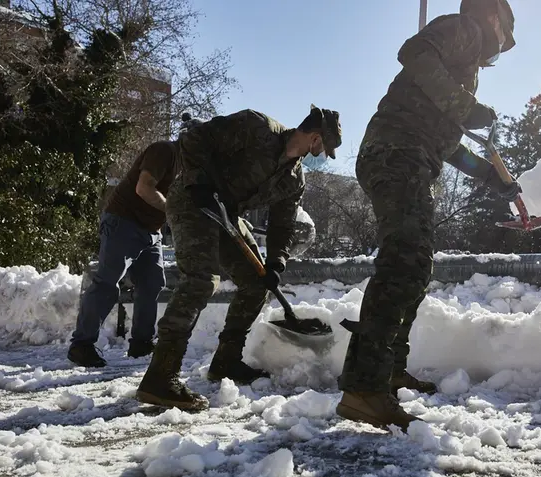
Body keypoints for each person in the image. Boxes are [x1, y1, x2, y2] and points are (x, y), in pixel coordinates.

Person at [336, 0, 521, 431]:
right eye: (504, 32)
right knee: (403, 261)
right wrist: (464, 104)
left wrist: (494, 179)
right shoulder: (465, 29)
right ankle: (364, 389)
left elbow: (450, 146)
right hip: (397, 153)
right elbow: (414, 52)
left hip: (410, 156)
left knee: (415, 266)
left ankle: (387, 371)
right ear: (493, 15)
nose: (498, 46)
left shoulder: (463, 67)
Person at [135, 105, 342, 411]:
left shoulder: (294, 179)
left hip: (226, 216)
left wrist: (276, 262)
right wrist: (200, 180)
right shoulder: (256, 126)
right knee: (200, 280)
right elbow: (195, 139)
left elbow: (283, 224)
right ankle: (160, 377)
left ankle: (226, 361)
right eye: (323, 149)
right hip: (194, 201)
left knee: (257, 284)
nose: (321, 156)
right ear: (314, 138)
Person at [67, 114, 202, 367]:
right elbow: (144, 188)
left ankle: (141, 343)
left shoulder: (188, 168)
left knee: (152, 282)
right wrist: (173, 210)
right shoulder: (164, 151)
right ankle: (81, 345)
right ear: (189, 140)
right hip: (123, 221)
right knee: (108, 281)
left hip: (151, 231)